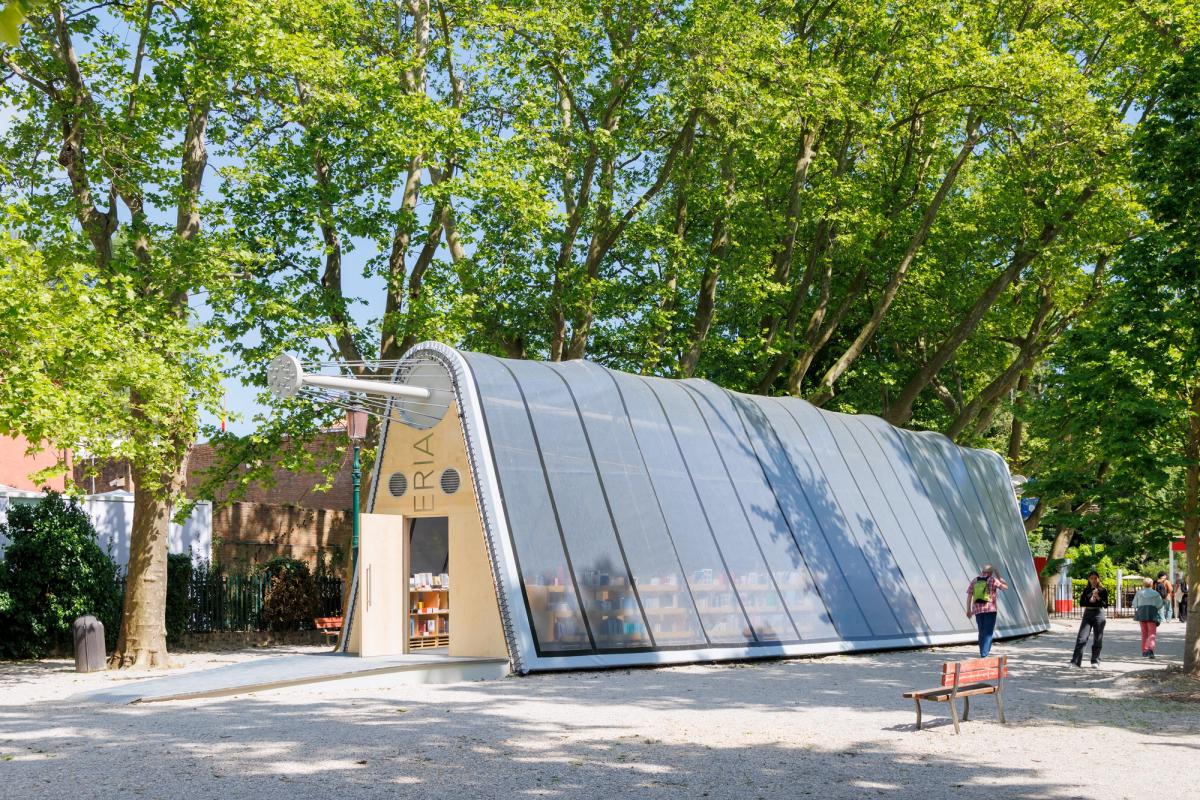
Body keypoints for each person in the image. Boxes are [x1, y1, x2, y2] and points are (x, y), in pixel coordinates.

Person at [966, 565, 1007, 657]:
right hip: (990, 610)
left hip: (977, 610)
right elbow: (1005, 587)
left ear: (982, 571)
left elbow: (969, 595)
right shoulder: (993, 580)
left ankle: (983, 651)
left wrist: (968, 609)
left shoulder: (975, 580)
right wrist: (999, 576)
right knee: (988, 632)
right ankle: (984, 654)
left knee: (981, 631)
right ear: (991, 572)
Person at [1071, 571, 1108, 668]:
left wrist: (1098, 597)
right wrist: (1089, 599)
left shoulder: (1102, 590)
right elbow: (1081, 603)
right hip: (1088, 613)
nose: (1094, 580)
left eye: (1095, 578)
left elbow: (1105, 605)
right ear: (1089, 579)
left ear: (1098, 579)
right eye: (1091, 578)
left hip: (1099, 614)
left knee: (1097, 638)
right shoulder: (1086, 590)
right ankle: (1075, 662)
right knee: (1082, 638)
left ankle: (1095, 661)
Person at [1133, 577, 1166, 658]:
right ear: (1152, 584)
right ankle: (1150, 650)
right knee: (1152, 633)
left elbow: (1134, 604)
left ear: (1143, 584)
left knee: (1144, 633)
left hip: (1142, 614)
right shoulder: (1155, 593)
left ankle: (1144, 650)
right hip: (1152, 614)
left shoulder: (1139, 593)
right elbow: (1160, 605)